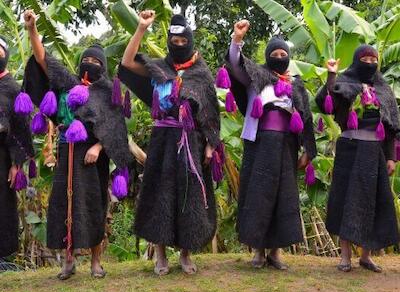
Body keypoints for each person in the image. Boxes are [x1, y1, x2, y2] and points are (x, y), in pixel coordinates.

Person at [23, 10, 134, 279]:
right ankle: (68, 262)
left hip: (94, 157)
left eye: (96, 61)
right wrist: (32, 29)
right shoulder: (67, 82)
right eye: (86, 60)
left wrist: (98, 148)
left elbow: (116, 130)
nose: (91, 64)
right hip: (66, 150)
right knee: (64, 205)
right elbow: (43, 59)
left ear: (104, 66)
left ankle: (96, 262)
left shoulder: (109, 92)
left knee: (95, 206)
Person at [119, 11, 222, 275]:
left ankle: (186, 254)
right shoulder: (159, 68)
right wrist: (141, 28)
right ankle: (161, 255)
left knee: (190, 198)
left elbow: (210, 113)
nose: (179, 45)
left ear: (190, 40)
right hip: (163, 141)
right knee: (160, 195)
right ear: (168, 42)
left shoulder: (201, 73)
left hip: (193, 143)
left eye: (182, 41)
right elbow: (127, 61)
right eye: (174, 42)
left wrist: (211, 145)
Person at [225, 20, 317, 269]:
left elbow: (306, 119)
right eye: (274, 54)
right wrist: (237, 39)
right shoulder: (256, 75)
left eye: (283, 54)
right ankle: (257, 251)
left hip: (286, 146)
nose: (279, 57)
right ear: (267, 56)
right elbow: (235, 64)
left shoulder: (297, 84)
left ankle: (275, 253)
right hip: (260, 143)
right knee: (258, 196)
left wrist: (309, 150)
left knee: (283, 198)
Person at [316, 45, 400, 273]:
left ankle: (366, 256)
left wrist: (391, 157)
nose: (370, 62)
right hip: (350, 149)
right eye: (365, 58)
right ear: (356, 60)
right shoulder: (344, 83)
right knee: (346, 201)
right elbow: (324, 102)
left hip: (375, 153)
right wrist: (332, 75)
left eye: (374, 59)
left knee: (372, 203)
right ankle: (344, 256)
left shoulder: (383, 89)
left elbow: (392, 128)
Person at [0, 35, 34, 259]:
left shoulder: (13, 89)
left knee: (1, 208)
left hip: (1, 158)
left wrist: (17, 164)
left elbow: (22, 129)